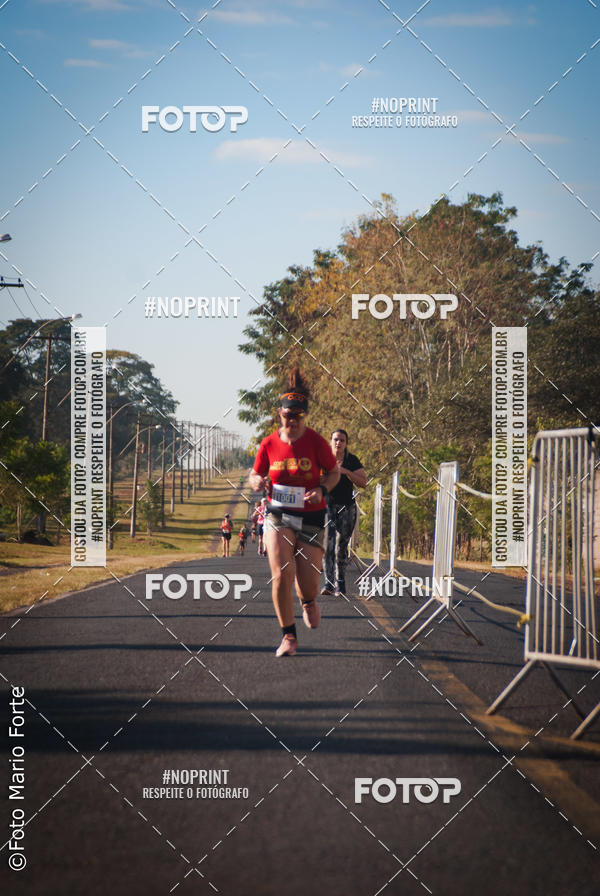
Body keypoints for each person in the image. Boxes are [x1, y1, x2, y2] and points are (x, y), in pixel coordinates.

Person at [249, 367, 340, 657]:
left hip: (312, 515)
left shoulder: (316, 442)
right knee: (281, 574)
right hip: (277, 514)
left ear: (304, 416)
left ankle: (308, 602)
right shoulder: (268, 444)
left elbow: (334, 472)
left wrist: (322, 489)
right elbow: (254, 475)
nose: (292, 421)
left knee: (307, 584)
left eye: (298, 416)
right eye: (288, 415)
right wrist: (258, 481)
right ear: (280, 414)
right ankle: (288, 636)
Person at [322, 429, 367, 597]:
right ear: (330, 441)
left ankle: (340, 582)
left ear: (346, 443)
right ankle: (329, 583)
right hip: (327, 506)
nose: (338, 443)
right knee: (328, 545)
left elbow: (363, 482)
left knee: (341, 545)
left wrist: (346, 472)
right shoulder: (323, 459)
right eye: (335, 439)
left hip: (347, 507)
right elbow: (312, 479)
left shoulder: (351, 460)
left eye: (342, 440)